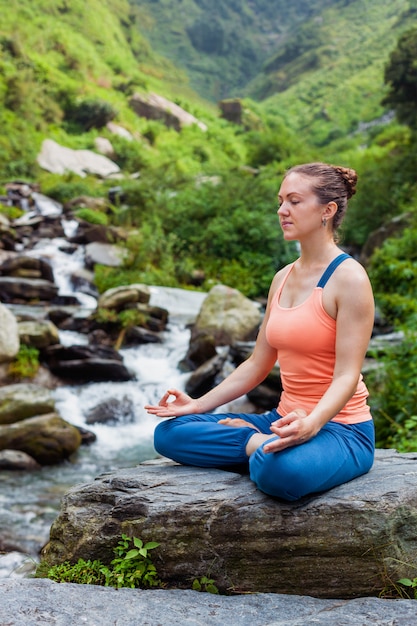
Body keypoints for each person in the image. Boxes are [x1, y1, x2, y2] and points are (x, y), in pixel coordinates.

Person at [145, 162, 375, 501]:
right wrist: (197, 405)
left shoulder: (350, 279)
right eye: (281, 201)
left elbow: (346, 376)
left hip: (340, 430)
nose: (282, 210)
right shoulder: (282, 278)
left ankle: (262, 449)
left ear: (327, 210)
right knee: (169, 433)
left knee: (278, 471)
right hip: (280, 420)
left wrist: (310, 425)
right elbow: (257, 364)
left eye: (294, 201)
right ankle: (257, 442)